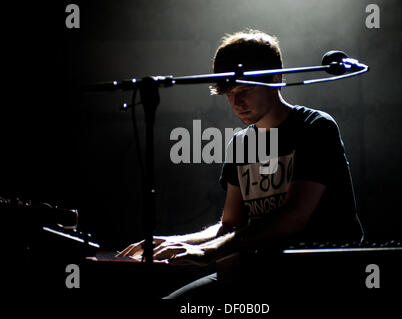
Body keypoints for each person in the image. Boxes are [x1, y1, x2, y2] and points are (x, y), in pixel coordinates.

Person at [117, 29, 364, 298]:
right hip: (258, 269)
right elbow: (231, 225)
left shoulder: (315, 128)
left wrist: (208, 251)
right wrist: (176, 242)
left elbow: (293, 217)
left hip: (318, 273)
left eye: (245, 90)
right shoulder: (241, 143)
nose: (236, 102)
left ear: (277, 79)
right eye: (229, 93)